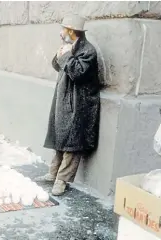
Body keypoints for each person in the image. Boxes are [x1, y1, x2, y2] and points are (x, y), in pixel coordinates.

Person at [43, 15, 100, 196]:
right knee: (60, 137)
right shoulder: (70, 47)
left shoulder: (88, 51)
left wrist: (67, 55)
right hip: (63, 98)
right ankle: (54, 173)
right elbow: (57, 65)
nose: (60, 33)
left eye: (63, 30)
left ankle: (62, 180)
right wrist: (60, 54)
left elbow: (77, 73)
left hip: (79, 103)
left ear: (71, 31)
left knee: (72, 143)